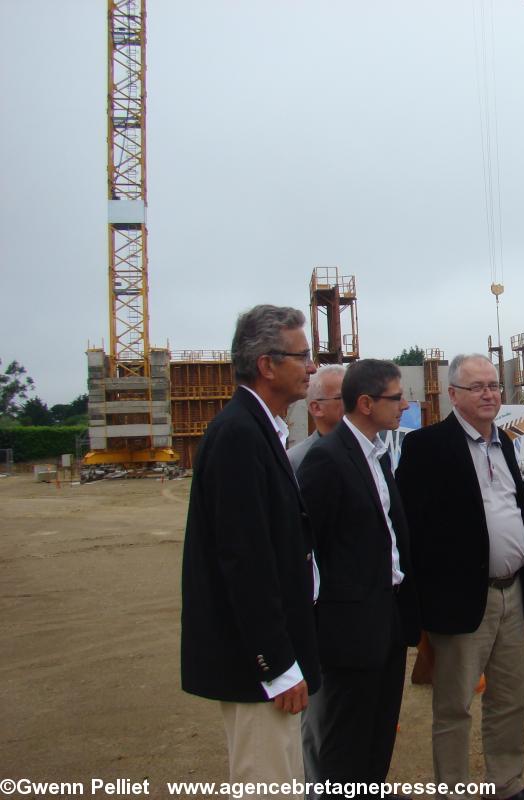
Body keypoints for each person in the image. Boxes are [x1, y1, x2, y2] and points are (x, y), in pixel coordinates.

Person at [180, 305, 320, 797]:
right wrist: (276, 666)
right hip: (257, 670)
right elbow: (244, 561)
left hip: (271, 660)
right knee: (267, 782)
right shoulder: (239, 435)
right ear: (267, 365)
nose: (312, 366)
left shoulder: (259, 429)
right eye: (302, 356)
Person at [396, 353, 524, 800]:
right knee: (455, 705)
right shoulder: (426, 446)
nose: (488, 394)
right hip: (460, 600)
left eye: (493, 386)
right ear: (453, 394)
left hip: (511, 591)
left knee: (511, 698)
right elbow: (411, 528)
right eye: (476, 387)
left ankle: (506, 784)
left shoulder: (505, 442)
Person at [297, 359, 420, 789]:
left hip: (387, 617)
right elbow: (308, 549)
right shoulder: (326, 460)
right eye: (396, 397)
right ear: (366, 403)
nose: (404, 405)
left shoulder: (377, 453)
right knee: (346, 739)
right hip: (349, 629)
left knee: (379, 729)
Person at [287, 363, 345, 474]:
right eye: (343, 397)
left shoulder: (372, 450)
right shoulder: (296, 460)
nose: (353, 403)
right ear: (317, 408)